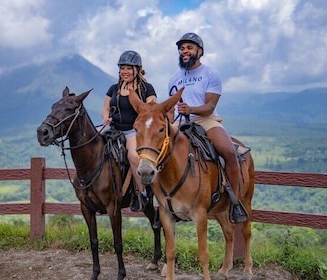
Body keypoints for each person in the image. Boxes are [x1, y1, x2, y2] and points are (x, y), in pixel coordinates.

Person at [167, 32, 248, 223]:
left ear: (199, 51)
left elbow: (210, 106)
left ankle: (234, 201)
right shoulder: (174, 78)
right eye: (182, 48)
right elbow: (171, 108)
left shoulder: (210, 74)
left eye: (189, 47)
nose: (184, 51)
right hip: (180, 122)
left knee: (228, 151)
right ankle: (165, 202)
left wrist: (191, 109)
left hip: (205, 119)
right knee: (157, 149)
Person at [102, 50, 157, 212]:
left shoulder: (146, 88)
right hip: (113, 129)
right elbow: (105, 108)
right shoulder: (113, 88)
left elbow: (151, 109)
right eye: (122, 68)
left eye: (128, 68)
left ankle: (143, 192)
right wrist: (106, 117)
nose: (124, 72)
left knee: (133, 156)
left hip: (133, 131)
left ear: (137, 70)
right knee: (91, 145)